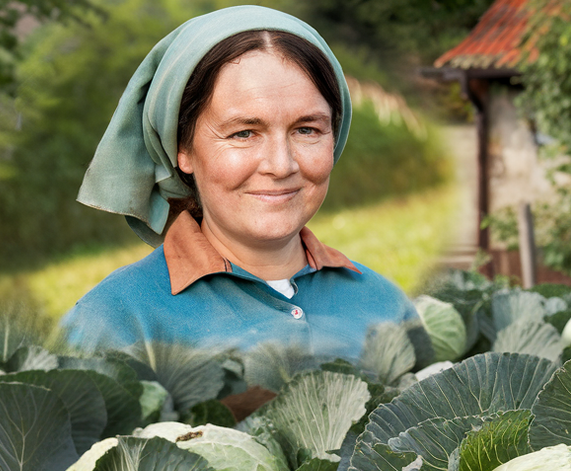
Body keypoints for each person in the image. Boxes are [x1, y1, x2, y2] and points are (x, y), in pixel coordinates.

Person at [61, 6, 418, 367]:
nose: (281, 165)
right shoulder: (113, 324)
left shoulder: (387, 304)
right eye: (243, 133)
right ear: (182, 148)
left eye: (306, 129)